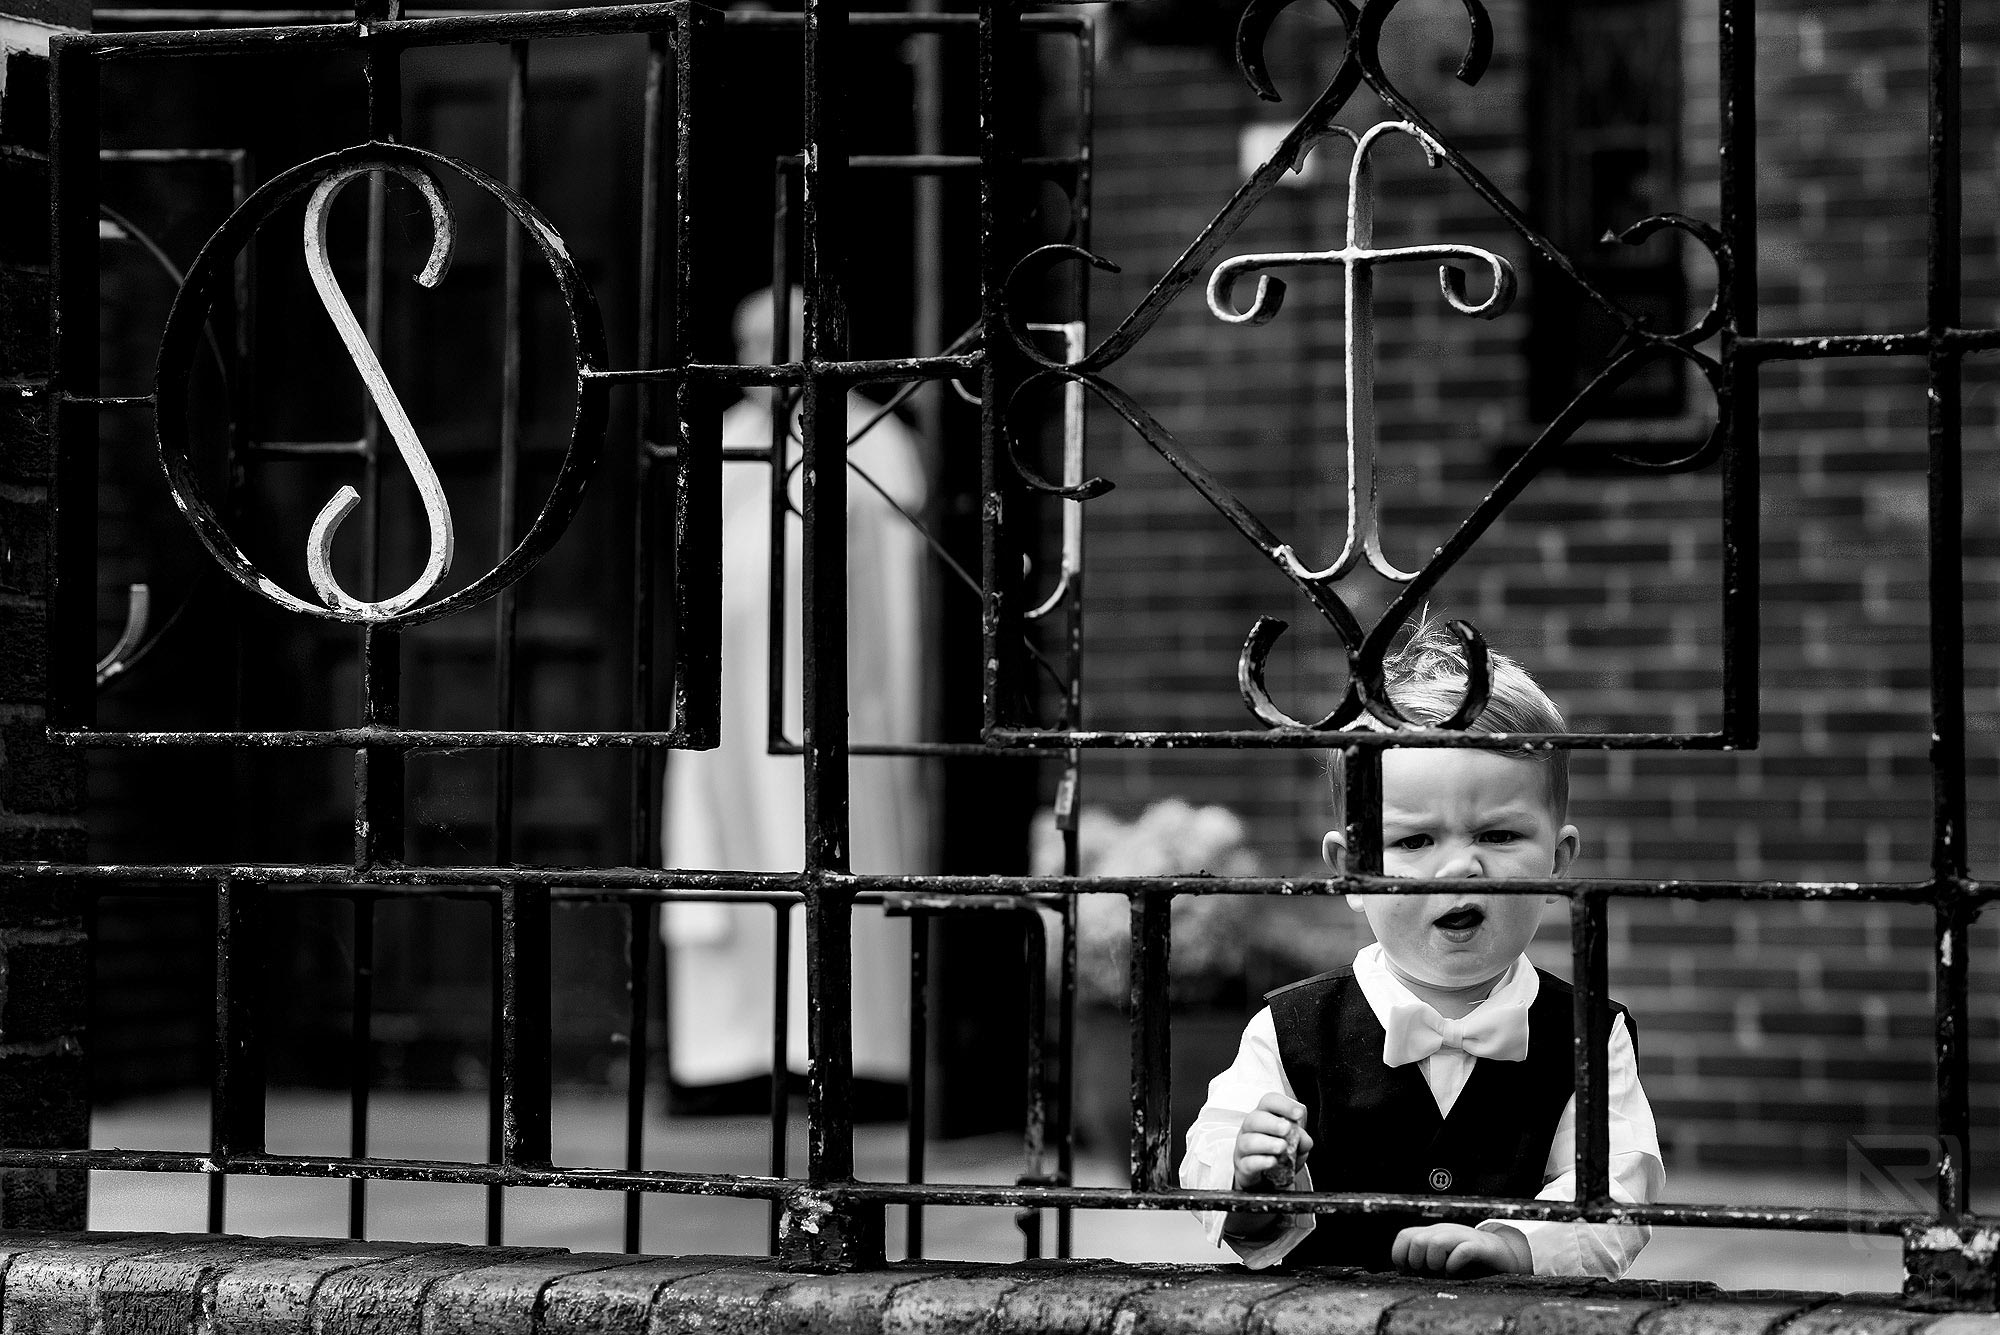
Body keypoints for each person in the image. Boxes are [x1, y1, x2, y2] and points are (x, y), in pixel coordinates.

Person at [1179, 617, 1663, 1276]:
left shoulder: (1589, 1037)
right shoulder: (1290, 1030)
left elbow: (1618, 1185)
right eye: (1414, 842)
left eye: (1496, 835)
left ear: (1558, 861)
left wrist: (1517, 1243)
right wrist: (1249, 1181)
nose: (1460, 867)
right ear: (1350, 870)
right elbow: (1210, 1151)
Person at [659, 286, 931, 1115]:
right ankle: (732, 1057)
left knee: (830, 848)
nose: (758, 359)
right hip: (730, 701)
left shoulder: (872, 438)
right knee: (735, 856)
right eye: (746, 341)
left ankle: (849, 1058)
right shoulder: (728, 439)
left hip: (837, 700)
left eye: (773, 339)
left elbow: (895, 586)